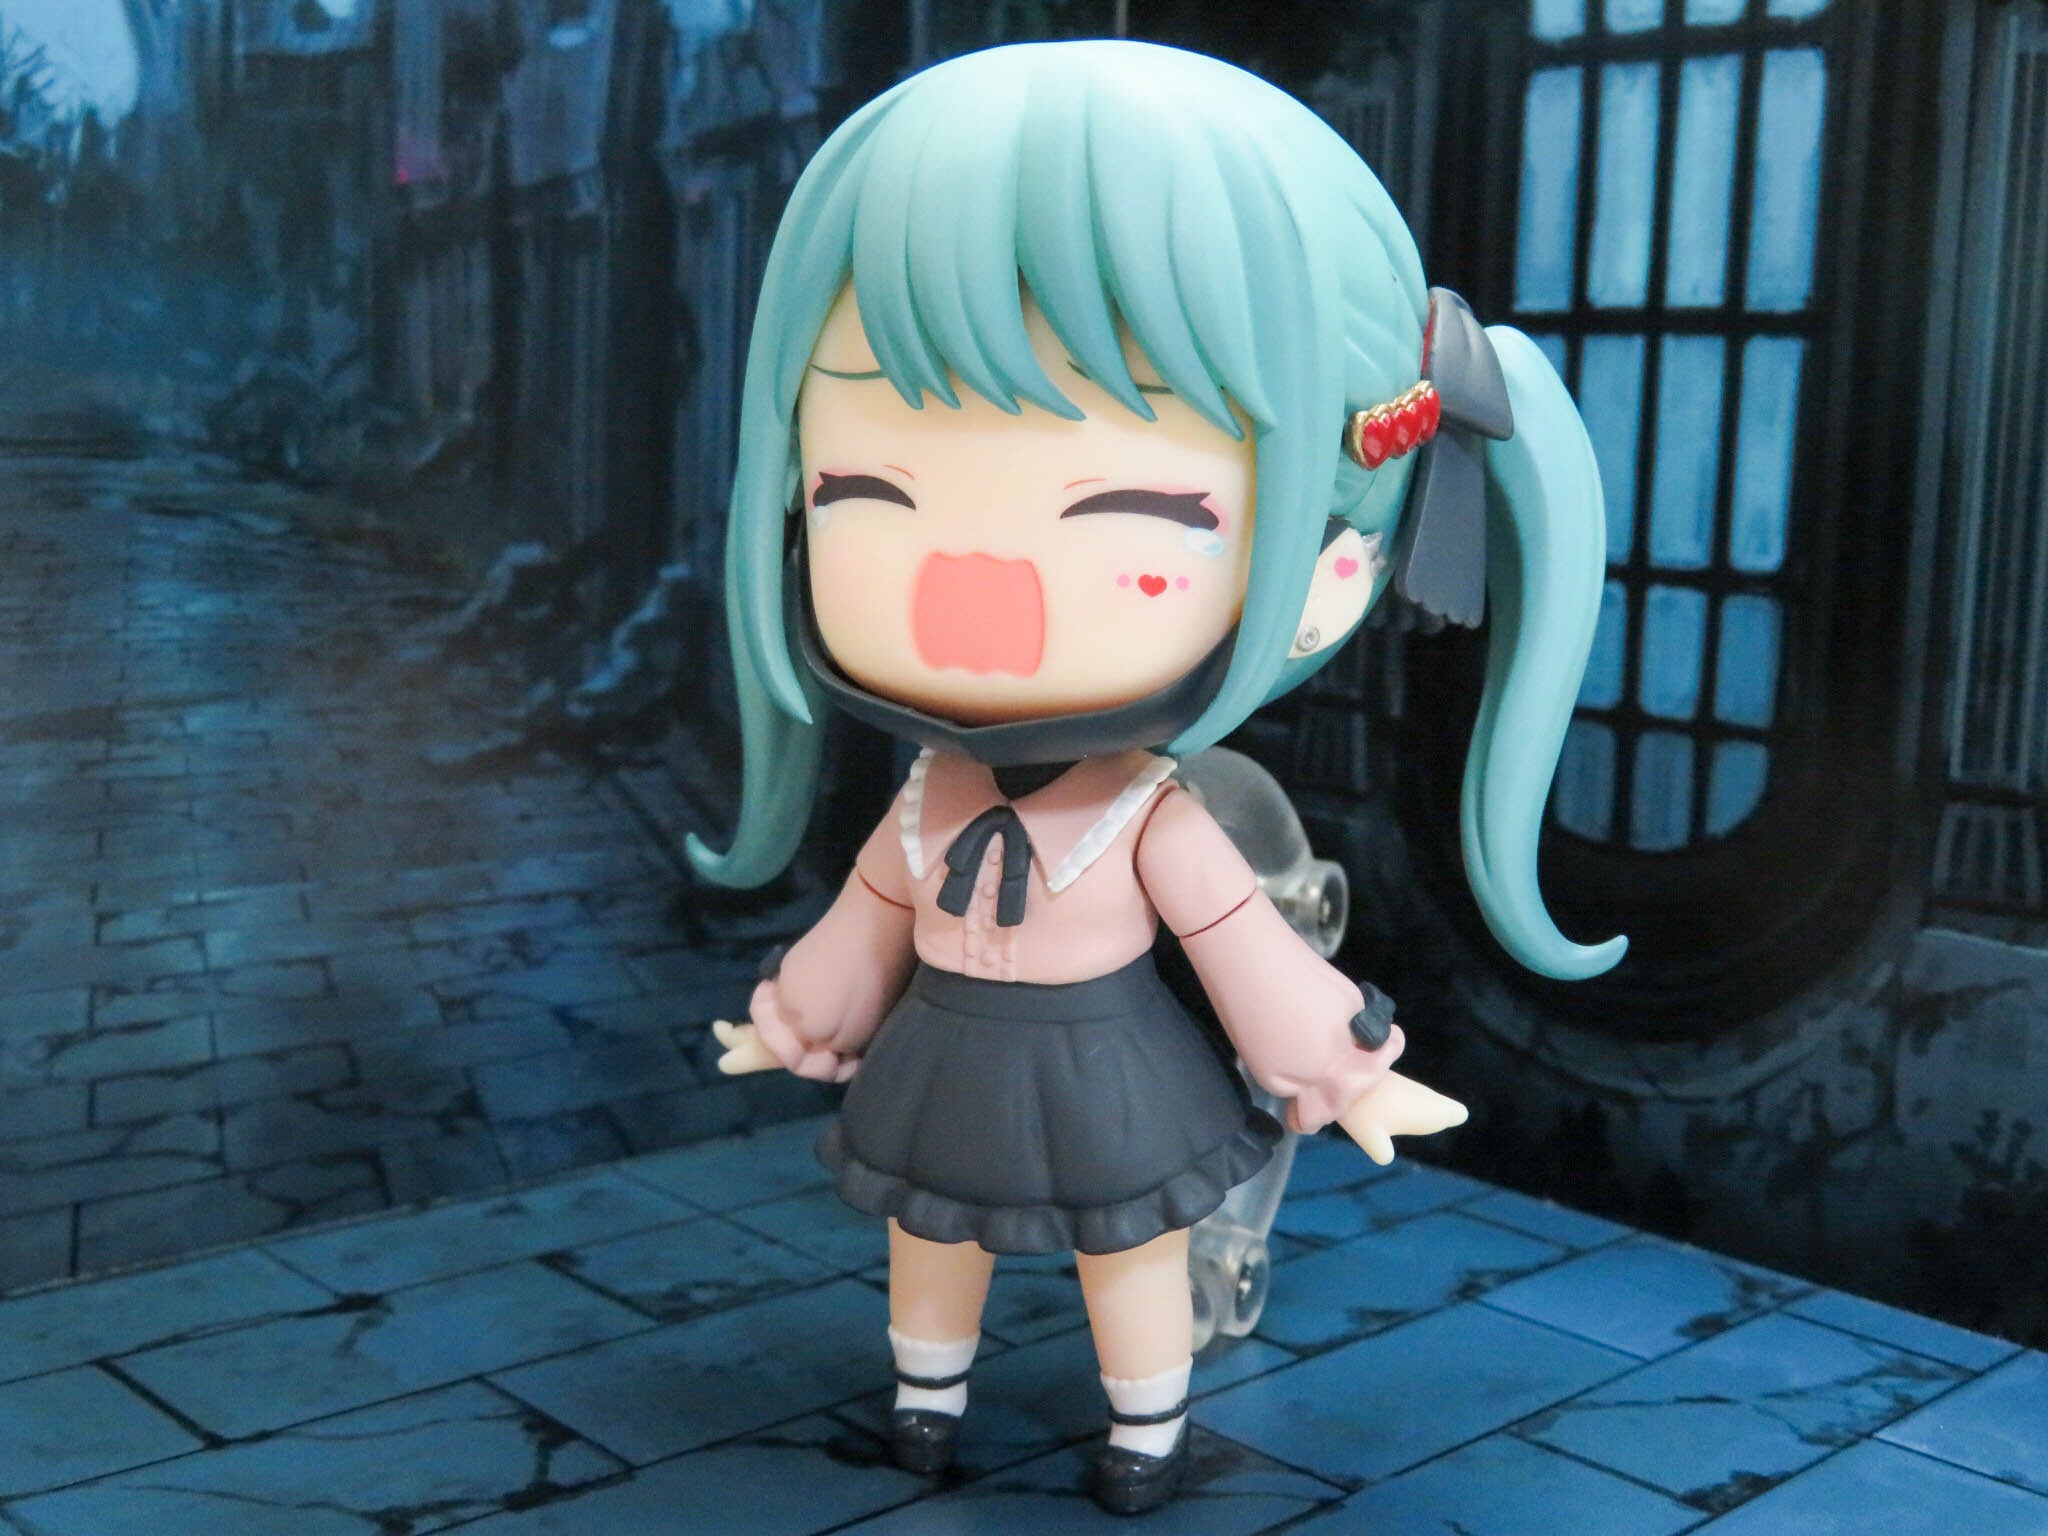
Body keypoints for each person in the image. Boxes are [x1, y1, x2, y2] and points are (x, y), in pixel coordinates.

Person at [691, 39, 1625, 1516]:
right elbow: (865, 922)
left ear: (1328, 570)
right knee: (926, 1240)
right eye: (870, 491)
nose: (972, 590)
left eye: (1127, 508)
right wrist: (798, 1015)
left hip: (1107, 1070)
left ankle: (1146, 1427)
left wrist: (1335, 1063)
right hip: (943, 1058)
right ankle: (925, 1403)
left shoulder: (1146, 816)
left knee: (1128, 1248)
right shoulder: (927, 797)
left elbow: (1244, 948)